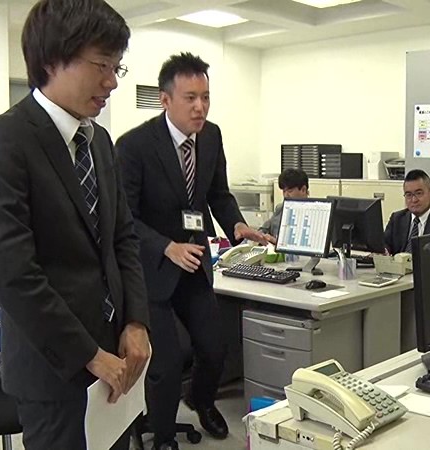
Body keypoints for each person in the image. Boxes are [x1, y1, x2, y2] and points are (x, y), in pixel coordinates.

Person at [0, 1, 151, 448]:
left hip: (117, 365)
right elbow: (12, 274)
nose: (111, 81)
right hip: (54, 370)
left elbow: (122, 239)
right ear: (52, 60)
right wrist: (89, 355)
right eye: (101, 65)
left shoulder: (99, 141)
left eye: (117, 68)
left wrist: (135, 322)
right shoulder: (1, 141)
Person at [116, 52, 267, 450]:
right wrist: (166, 246)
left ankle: (201, 400)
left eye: (206, 97)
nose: (200, 107)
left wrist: (237, 226)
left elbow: (218, 194)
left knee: (215, 347)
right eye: (190, 98)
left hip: (195, 263)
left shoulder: (211, 136)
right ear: (165, 100)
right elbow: (125, 217)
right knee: (165, 363)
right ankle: (163, 436)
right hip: (152, 270)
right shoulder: (134, 146)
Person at [384, 169, 430, 254]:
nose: (414, 200)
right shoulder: (397, 218)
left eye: (419, 193)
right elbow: (385, 244)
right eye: (408, 195)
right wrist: (384, 251)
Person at [260, 168, 310, 241]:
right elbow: (264, 229)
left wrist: (275, 241)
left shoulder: (314, 212)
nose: (286, 195)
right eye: (284, 191)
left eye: (290, 191)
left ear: (303, 190)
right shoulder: (280, 208)